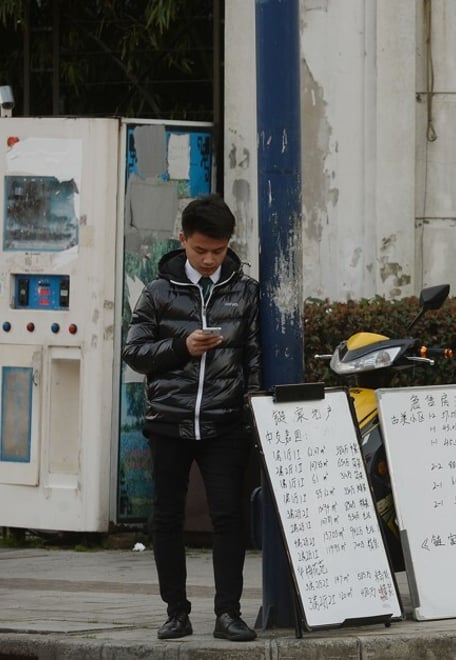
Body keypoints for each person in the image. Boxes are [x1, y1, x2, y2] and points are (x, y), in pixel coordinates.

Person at [122, 194, 261, 641]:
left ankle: (228, 613)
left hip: (225, 422)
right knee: (166, 517)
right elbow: (134, 352)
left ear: (228, 245)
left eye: (217, 252)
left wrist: (253, 411)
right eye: (199, 250)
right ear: (182, 239)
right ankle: (176, 612)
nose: (207, 259)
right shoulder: (158, 292)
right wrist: (182, 347)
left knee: (229, 517)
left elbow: (254, 358)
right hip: (169, 420)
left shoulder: (245, 291)